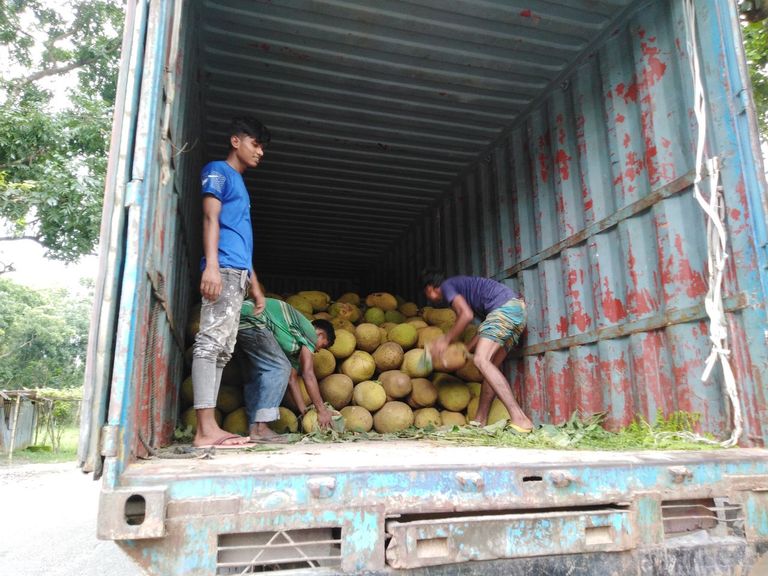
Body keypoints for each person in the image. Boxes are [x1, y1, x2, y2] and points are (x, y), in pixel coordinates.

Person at [191, 116, 270, 448]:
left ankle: (209, 428)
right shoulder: (217, 171)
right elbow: (211, 218)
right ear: (236, 141)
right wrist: (210, 266)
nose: (261, 152)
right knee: (210, 344)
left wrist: (254, 282)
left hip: (237, 273)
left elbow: (241, 236)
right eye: (256, 143)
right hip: (221, 269)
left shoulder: (241, 184)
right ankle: (205, 430)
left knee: (223, 350)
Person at [421, 269, 533, 433]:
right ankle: (480, 421)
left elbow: (466, 315)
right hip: (516, 311)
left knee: (481, 360)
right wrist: (466, 350)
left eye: (427, 294)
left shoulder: (447, 286)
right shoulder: (466, 289)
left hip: (504, 309)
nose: (430, 299)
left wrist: (445, 340)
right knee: (491, 366)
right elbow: (484, 328)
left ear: (431, 288)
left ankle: (520, 419)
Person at [238, 297, 336, 441]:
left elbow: (292, 379)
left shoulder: (294, 343)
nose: (319, 350)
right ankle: (262, 428)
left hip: (239, 319)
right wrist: (322, 410)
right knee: (279, 367)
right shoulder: (309, 332)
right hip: (253, 317)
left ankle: (254, 429)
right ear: (320, 335)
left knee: (256, 376)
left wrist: (304, 411)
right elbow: (308, 374)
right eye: (323, 345)